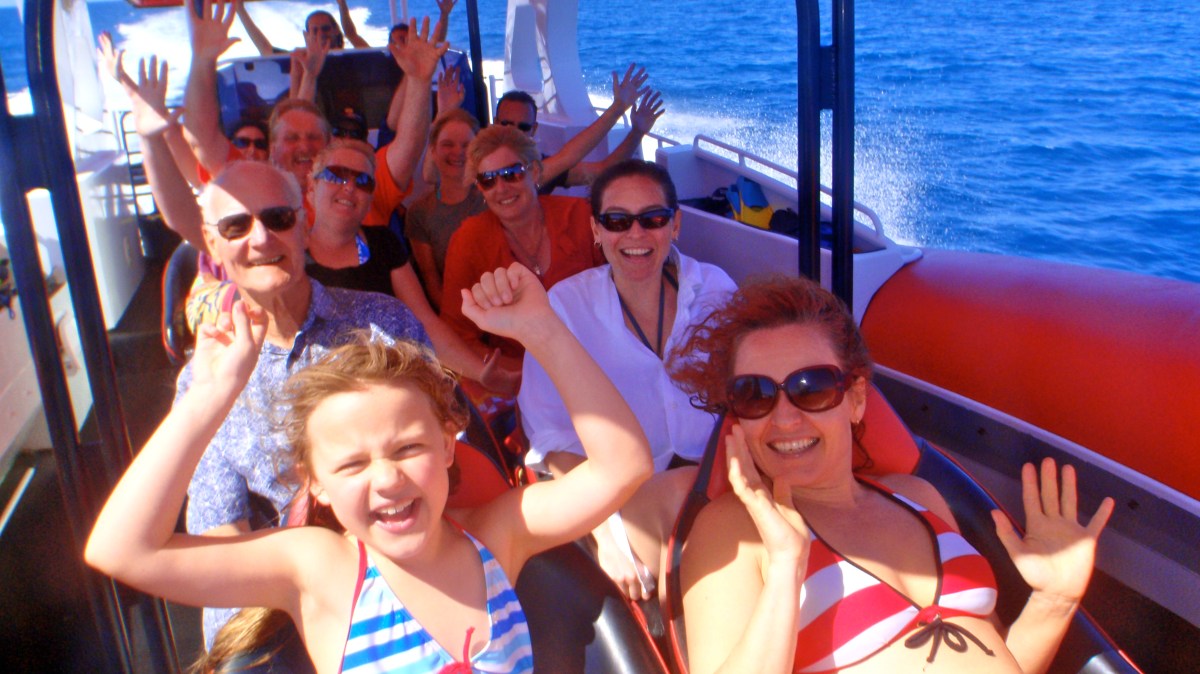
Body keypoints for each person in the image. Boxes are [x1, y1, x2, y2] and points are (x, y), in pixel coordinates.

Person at [84, 262, 654, 673]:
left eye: (407, 449)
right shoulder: (318, 569)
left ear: (448, 445)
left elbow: (623, 465)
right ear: (315, 483)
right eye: (352, 464)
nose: (387, 479)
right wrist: (208, 395)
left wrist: (541, 329)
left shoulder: (496, 537)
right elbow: (123, 550)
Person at [672, 276, 1116, 674]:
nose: (785, 418)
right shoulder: (732, 534)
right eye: (755, 394)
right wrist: (787, 566)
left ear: (856, 399)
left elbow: (995, 658)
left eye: (812, 388)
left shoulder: (919, 496)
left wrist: (1055, 601)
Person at [178, 160, 430, 645]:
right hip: (284, 594)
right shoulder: (205, 379)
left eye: (277, 218)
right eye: (235, 226)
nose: (260, 239)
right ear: (212, 243)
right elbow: (219, 531)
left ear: (303, 224)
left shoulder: (385, 323)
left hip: (407, 560)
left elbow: (445, 459)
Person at [519, 160, 736, 601]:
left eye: (652, 218)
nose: (636, 234)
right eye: (618, 221)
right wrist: (606, 531)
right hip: (624, 495)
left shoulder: (716, 290)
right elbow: (552, 437)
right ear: (597, 230)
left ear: (675, 225)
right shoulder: (564, 308)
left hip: (720, 476)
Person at [304, 138, 518, 393]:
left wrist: (481, 374)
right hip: (320, 392)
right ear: (312, 186)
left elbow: (424, 323)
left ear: (370, 198)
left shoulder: (383, 243)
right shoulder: (291, 257)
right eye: (336, 176)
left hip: (389, 386)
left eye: (362, 182)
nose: (349, 187)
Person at [439, 125, 603, 369]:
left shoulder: (581, 217)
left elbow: (622, 294)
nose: (501, 188)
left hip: (597, 362)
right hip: (520, 373)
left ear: (534, 172)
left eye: (511, 174)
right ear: (480, 188)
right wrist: (508, 374)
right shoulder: (468, 240)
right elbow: (458, 333)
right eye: (488, 180)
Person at [493, 68, 664, 194]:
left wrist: (637, 132)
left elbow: (602, 171)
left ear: (534, 129)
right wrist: (617, 108)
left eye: (523, 127)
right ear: (495, 123)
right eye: (507, 124)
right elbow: (567, 157)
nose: (514, 132)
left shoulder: (540, 166)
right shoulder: (483, 163)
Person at [405, 108, 486, 310]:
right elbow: (431, 280)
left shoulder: (492, 200)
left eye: (466, 145)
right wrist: (456, 319)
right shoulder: (419, 212)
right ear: (433, 151)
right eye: (448, 144)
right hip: (451, 313)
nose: (457, 152)